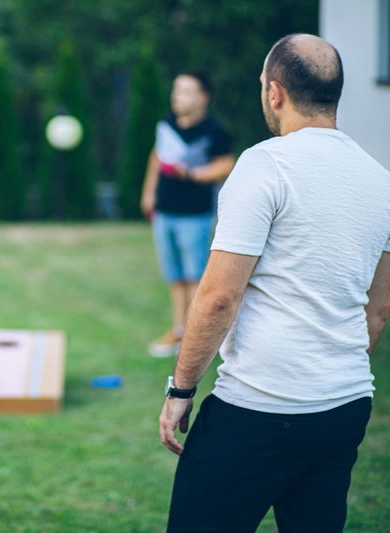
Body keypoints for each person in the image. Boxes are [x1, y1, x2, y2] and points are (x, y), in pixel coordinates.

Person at [159, 34, 390, 532]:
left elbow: (219, 297)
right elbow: (379, 309)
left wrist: (181, 387)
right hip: (345, 407)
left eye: (264, 83)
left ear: (275, 93)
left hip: (258, 407)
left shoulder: (264, 164)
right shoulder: (381, 179)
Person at [140, 71, 235, 357]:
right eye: (175, 89)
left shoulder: (214, 131)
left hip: (195, 215)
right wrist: (148, 192)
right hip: (164, 212)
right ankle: (179, 330)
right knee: (175, 276)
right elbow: (156, 157)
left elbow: (226, 165)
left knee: (196, 277)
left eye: (184, 90)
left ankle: (198, 337)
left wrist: (193, 174)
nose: (176, 96)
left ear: (202, 97)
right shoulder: (166, 125)